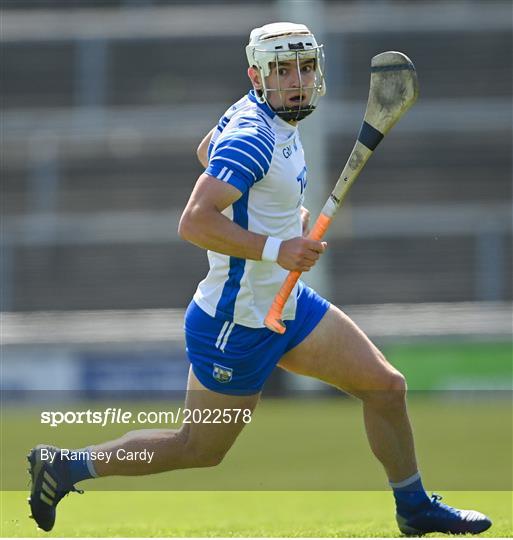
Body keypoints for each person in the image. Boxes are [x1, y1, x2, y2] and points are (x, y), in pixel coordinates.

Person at [28, 22, 491, 535]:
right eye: (283, 70)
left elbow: (208, 149)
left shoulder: (264, 117)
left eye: (306, 67)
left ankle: (414, 507)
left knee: (385, 386)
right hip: (238, 320)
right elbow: (194, 221)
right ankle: (66, 464)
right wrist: (277, 245)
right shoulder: (254, 136)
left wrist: (276, 215)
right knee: (199, 448)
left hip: (289, 306)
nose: (297, 79)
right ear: (257, 74)